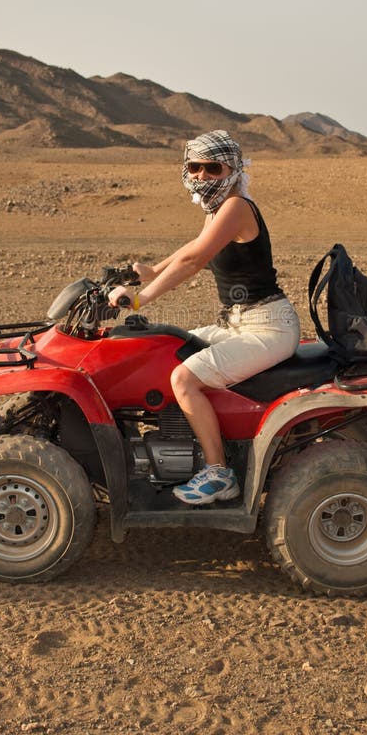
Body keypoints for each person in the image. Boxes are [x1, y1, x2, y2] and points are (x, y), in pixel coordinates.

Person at [108, 129, 300, 505]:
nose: (201, 176)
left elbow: (195, 261)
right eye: (194, 167)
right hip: (241, 322)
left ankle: (219, 473)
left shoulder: (236, 207)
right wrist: (150, 270)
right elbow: (191, 249)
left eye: (212, 168)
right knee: (168, 348)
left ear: (232, 169)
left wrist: (140, 298)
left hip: (268, 327)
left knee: (184, 378)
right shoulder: (219, 210)